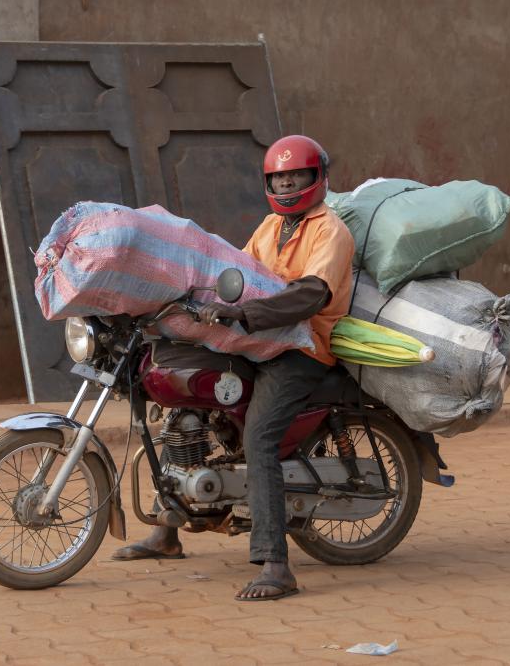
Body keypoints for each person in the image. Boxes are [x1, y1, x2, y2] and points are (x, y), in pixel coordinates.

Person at [113, 135, 355, 601]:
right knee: (183, 399)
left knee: (258, 437)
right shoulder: (270, 227)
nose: (287, 183)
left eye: (296, 175)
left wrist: (246, 315)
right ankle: (168, 529)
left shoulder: (331, 231)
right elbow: (236, 274)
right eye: (279, 177)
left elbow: (312, 295)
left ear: (317, 178)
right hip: (257, 341)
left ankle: (276, 564)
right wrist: (191, 298)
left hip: (303, 350)